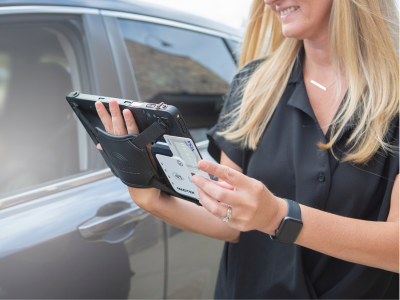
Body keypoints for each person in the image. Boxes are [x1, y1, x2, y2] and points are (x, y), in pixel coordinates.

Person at [95, 0, 399, 298]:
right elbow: (229, 223)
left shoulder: (394, 96)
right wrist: (148, 195)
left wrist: (280, 216)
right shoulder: (252, 85)